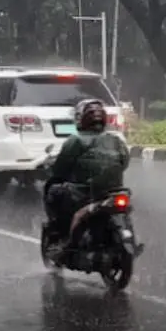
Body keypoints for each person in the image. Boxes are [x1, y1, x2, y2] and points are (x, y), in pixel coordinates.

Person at [43, 98, 129, 251]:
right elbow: (124, 162)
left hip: (84, 192)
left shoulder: (75, 140)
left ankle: (61, 234)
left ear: (81, 119)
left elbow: (61, 168)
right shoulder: (115, 139)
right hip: (114, 190)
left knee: (54, 192)